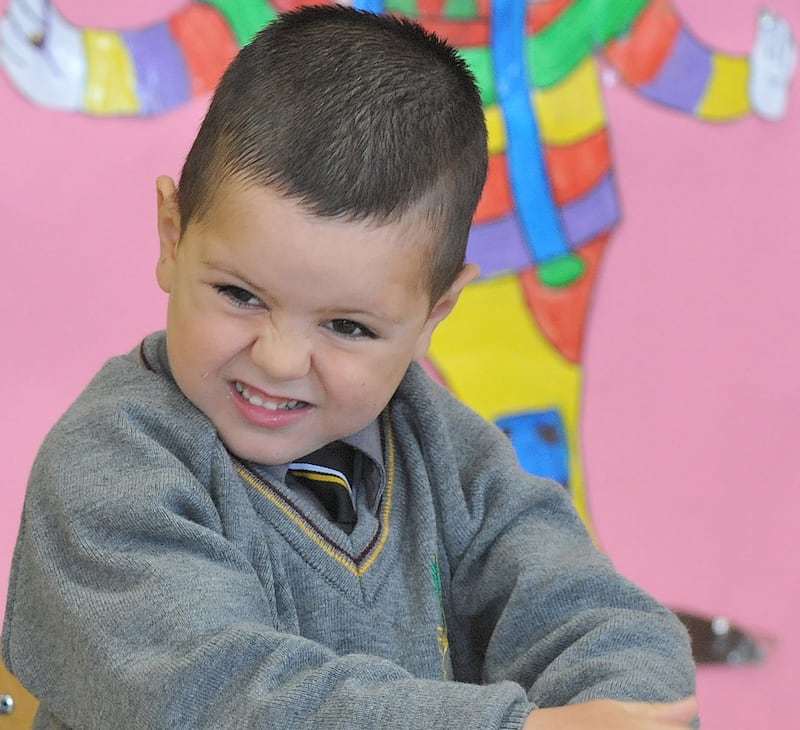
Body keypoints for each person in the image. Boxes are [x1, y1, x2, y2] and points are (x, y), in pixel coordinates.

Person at [2, 6, 698, 729]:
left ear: (435, 314)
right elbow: (216, 698)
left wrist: (622, 705)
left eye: (347, 326)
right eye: (240, 295)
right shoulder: (110, 469)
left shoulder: (445, 454)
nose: (277, 359)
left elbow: (596, 615)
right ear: (173, 236)